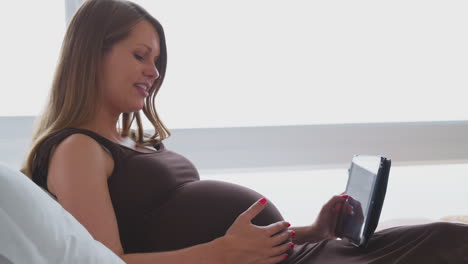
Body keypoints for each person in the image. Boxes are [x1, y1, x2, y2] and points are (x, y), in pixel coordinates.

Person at [21, 0, 468, 263]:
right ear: (91, 54)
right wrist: (223, 252)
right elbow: (105, 263)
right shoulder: (77, 148)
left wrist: (312, 230)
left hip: (294, 255)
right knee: (446, 243)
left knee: (444, 238)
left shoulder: (128, 143)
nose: (153, 72)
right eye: (141, 55)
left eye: (156, 60)